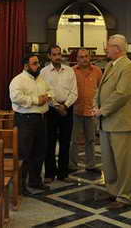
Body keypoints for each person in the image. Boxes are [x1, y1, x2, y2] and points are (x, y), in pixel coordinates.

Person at [93, 34, 131, 209]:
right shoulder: (110, 65)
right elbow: (100, 90)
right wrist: (95, 105)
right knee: (109, 161)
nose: (106, 49)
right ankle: (113, 191)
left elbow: (122, 94)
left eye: (108, 46)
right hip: (106, 122)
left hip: (121, 123)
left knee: (123, 162)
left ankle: (125, 196)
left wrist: (102, 110)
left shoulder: (128, 67)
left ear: (117, 49)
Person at [9, 54, 52, 194]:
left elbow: (50, 91)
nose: (38, 66)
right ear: (26, 66)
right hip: (25, 119)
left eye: (38, 63)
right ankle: (20, 185)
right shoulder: (18, 80)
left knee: (39, 151)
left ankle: (35, 181)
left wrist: (47, 97)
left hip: (41, 119)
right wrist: (36, 100)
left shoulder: (41, 79)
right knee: (24, 153)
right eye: (34, 63)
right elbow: (16, 97)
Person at [41, 45, 78, 182]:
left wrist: (65, 105)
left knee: (65, 142)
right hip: (51, 109)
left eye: (59, 54)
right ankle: (49, 174)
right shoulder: (44, 72)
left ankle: (63, 173)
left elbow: (74, 91)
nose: (58, 57)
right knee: (49, 142)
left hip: (67, 109)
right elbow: (44, 92)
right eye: (54, 54)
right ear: (49, 56)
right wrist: (57, 106)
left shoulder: (69, 71)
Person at [69, 48, 103, 173]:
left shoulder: (97, 71)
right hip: (75, 110)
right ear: (77, 59)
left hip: (91, 111)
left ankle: (91, 165)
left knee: (91, 139)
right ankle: (72, 165)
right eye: (81, 57)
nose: (84, 59)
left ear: (90, 57)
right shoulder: (72, 71)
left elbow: (101, 89)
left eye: (86, 56)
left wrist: (98, 107)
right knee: (73, 140)